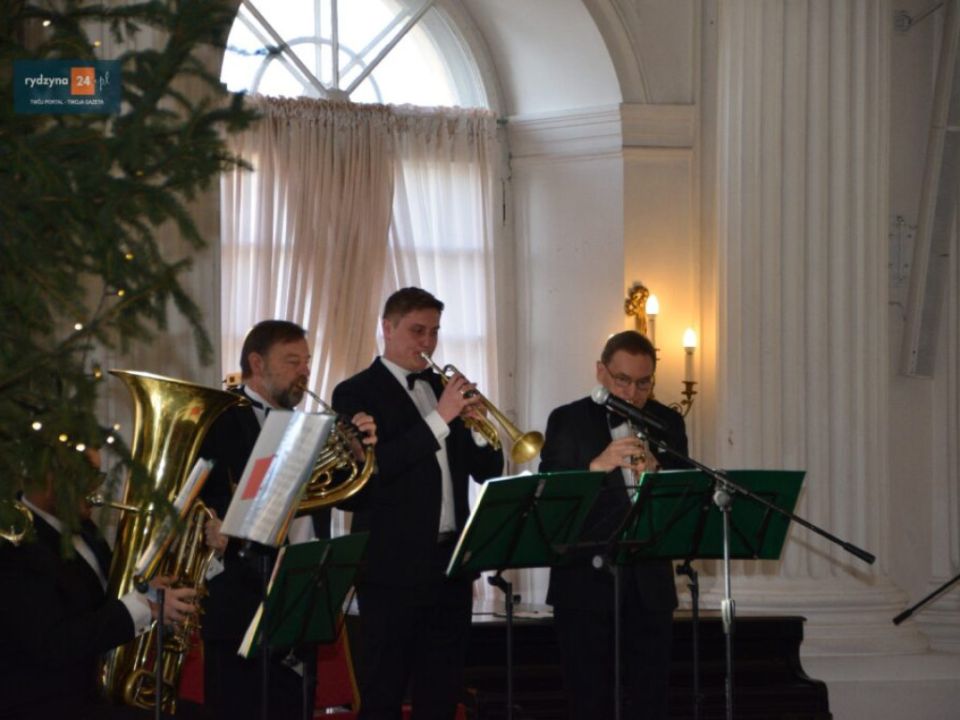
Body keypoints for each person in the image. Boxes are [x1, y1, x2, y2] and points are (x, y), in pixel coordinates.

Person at [332, 287, 504, 720]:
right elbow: (378, 471)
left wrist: (478, 428)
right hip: (390, 570)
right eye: (417, 331)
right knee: (383, 694)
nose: (428, 342)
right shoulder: (354, 393)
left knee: (441, 695)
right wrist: (440, 418)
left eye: (434, 332)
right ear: (387, 328)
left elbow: (486, 471)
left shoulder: (442, 389)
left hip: (450, 566)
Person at [198, 319, 377, 720]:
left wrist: (360, 456)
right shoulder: (221, 419)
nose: (304, 371)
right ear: (257, 363)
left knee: (295, 706)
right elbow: (206, 501)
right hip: (241, 600)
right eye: (292, 361)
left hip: (302, 592)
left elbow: (355, 499)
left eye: (307, 361)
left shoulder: (313, 427)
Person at [539, 330, 687, 720]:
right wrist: (596, 466)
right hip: (585, 589)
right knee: (589, 703)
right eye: (622, 380)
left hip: (650, 590)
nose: (632, 393)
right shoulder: (567, 420)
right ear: (600, 372)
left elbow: (683, 498)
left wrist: (657, 472)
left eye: (643, 383)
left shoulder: (668, 422)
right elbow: (550, 499)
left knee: (651, 704)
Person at [0, 450, 197, 720]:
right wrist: (140, 607)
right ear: (50, 478)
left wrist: (152, 600)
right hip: (46, 703)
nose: (97, 487)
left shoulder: (86, 529)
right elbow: (53, 643)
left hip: (93, 694)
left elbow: (105, 604)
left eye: (98, 476)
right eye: (88, 476)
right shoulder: (14, 544)